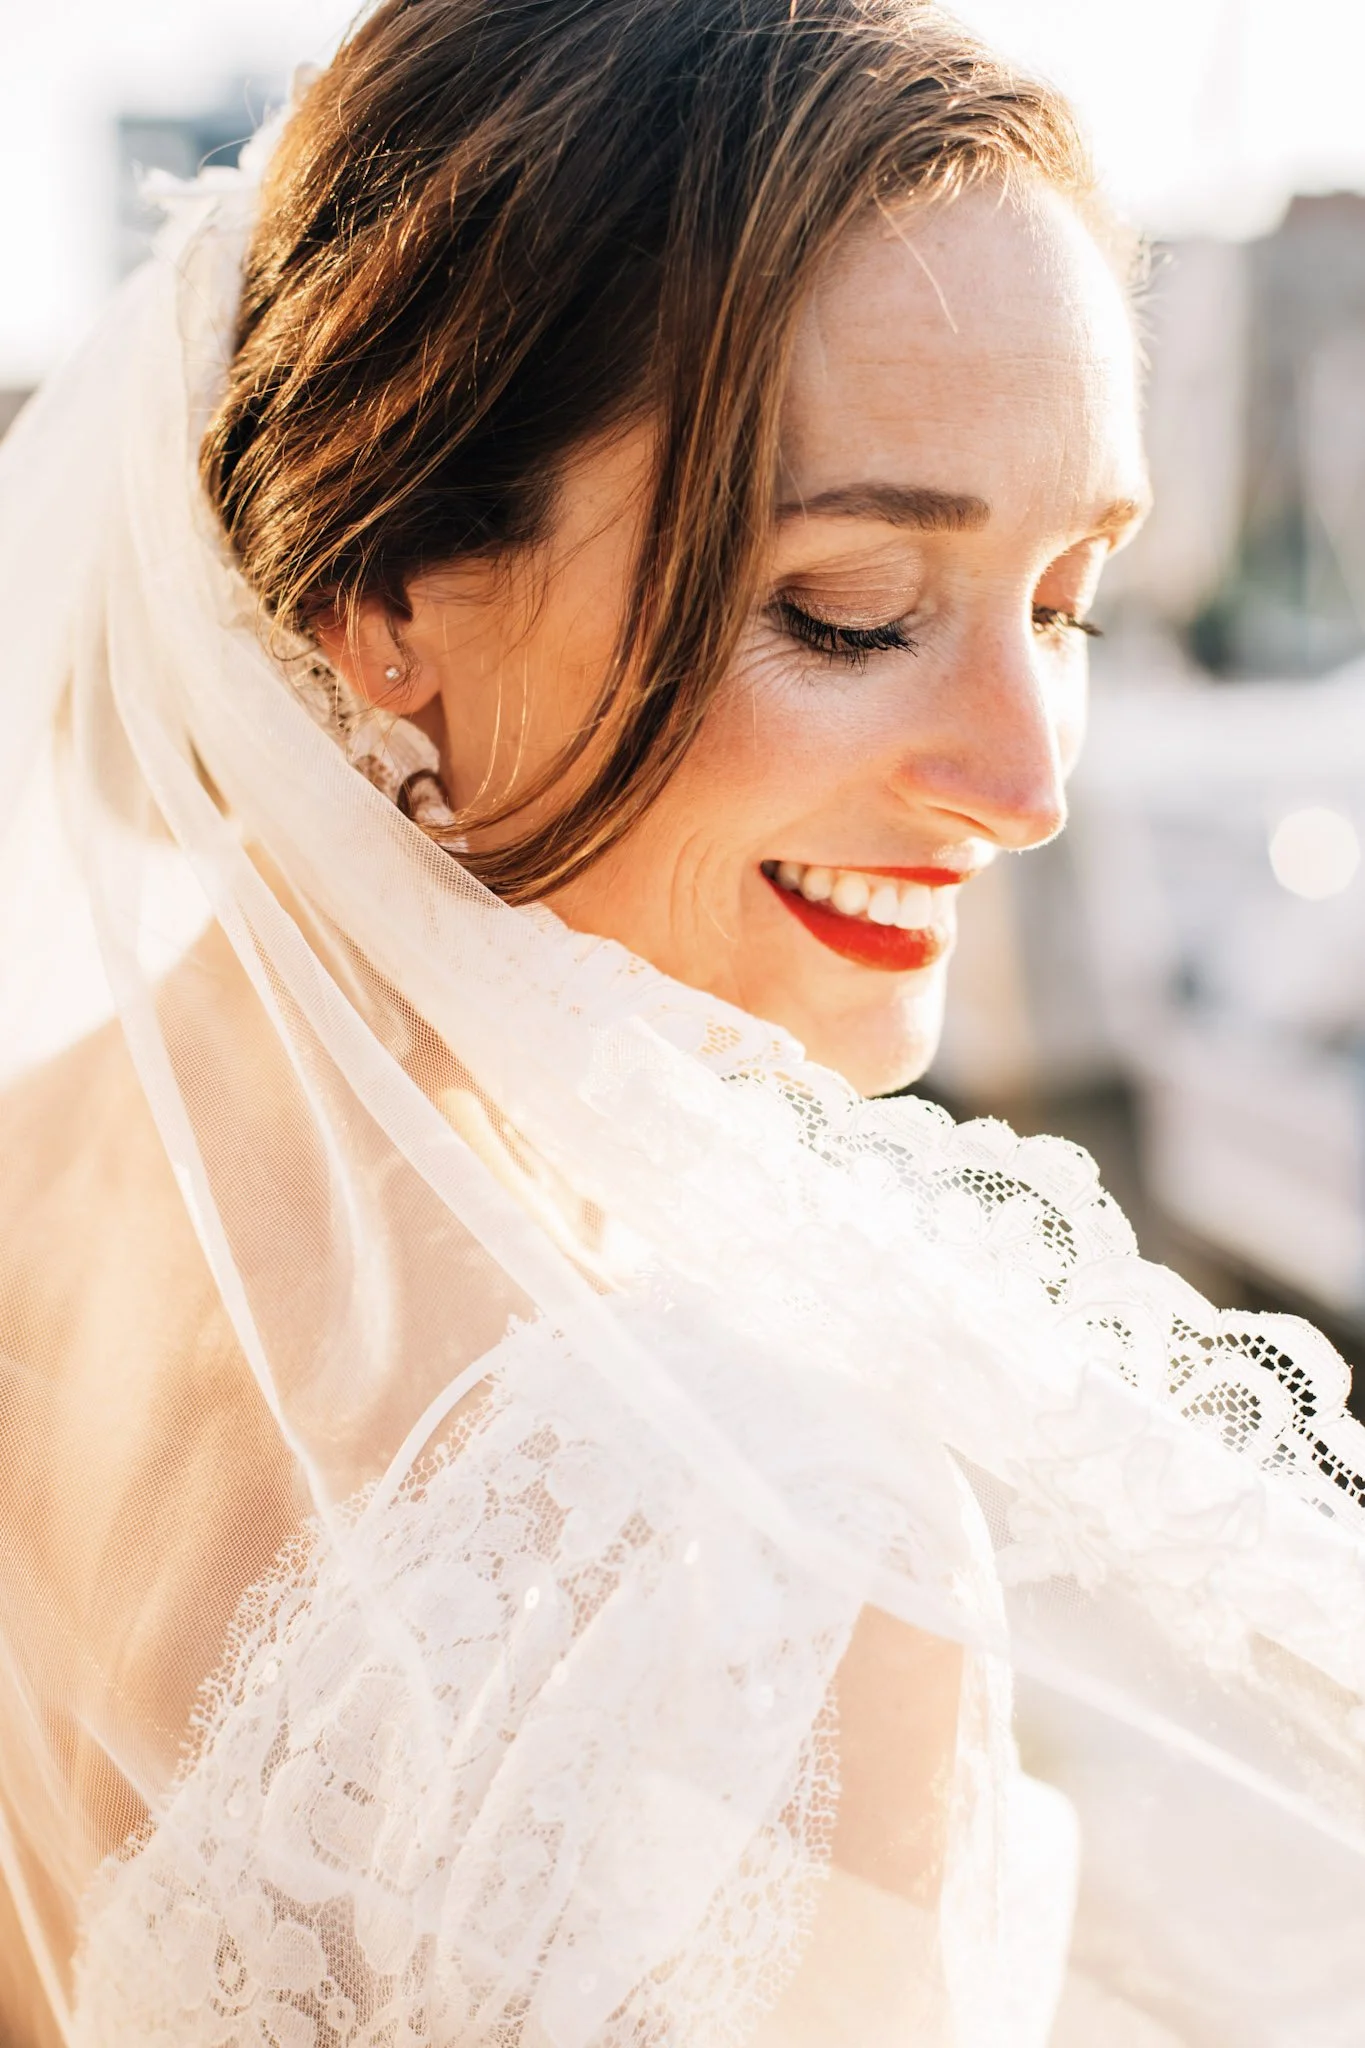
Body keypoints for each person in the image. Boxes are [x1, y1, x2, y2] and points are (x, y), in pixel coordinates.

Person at [2, 2, 1364, 2042]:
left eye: (1064, 602)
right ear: (385, 592)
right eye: (851, 608)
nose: (1026, 777)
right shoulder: (764, 1542)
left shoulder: (39, 1151)